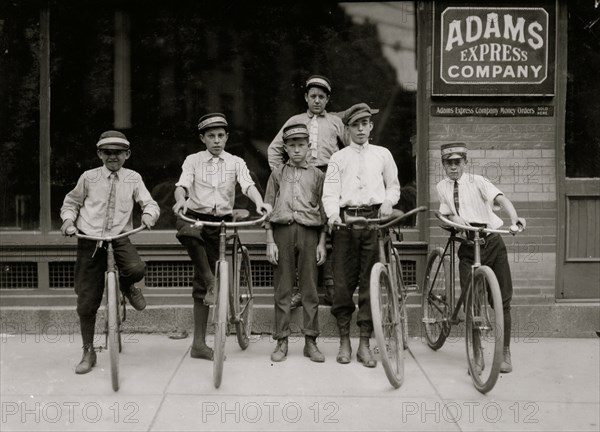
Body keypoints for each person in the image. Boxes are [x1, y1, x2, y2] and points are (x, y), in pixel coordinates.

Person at [172, 113, 272, 361]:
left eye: (220, 136)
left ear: (226, 137)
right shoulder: (193, 160)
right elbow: (181, 185)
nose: (216, 141)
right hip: (195, 215)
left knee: (204, 281)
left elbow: (247, 185)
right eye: (211, 136)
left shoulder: (235, 161)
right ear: (202, 138)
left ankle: (209, 289)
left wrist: (260, 203)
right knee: (187, 231)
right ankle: (211, 285)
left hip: (220, 223)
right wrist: (181, 201)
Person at [60, 130, 160, 374]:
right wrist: (67, 221)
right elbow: (71, 203)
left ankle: (126, 286)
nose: (112, 157)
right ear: (99, 154)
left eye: (118, 153)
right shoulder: (89, 177)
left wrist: (149, 214)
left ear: (127, 154)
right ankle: (88, 351)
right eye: (107, 152)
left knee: (136, 268)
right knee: (87, 301)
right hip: (90, 239)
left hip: (118, 238)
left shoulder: (133, 178)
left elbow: (150, 203)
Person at [435, 142, 526, 374]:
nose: (453, 167)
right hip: (467, 247)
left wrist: (515, 219)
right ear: (443, 164)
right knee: (472, 303)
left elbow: (502, 200)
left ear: (465, 162)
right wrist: (455, 220)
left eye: (457, 162)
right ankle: (476, 354)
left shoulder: (479, 181)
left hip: (492, 243)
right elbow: (444, 211)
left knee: (502, 301)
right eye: (449, 163)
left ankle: (505, 352)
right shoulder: (442, 187)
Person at [322, 103, 401, 368]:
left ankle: (364, 343)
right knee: (343, 284)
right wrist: (334, 216)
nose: (360, 129)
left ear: (370, 126)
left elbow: (393, 186)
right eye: (354, 125)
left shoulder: (382, 154)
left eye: (364, 124)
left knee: (370, 283)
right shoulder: (338, 158)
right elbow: (330, 193)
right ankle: (345, 340)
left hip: (374, 222)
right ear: (347, 128)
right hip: (346, 224)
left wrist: (389, 202)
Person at [268, 74, 347, 308]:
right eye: (313, 96)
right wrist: (282, 174)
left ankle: (331, 287)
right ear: (305, 97)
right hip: (298, 176)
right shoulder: (295, 120)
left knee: (328, 229)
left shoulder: (334, 122)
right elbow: (275, 148)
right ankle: (297, 290)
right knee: (297, 230)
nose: (317, 100)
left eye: (322, 97)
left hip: (328, 176)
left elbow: (349, 150)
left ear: (327, 99)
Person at [264, 123, 327, 363]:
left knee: (310, 288)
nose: (297, 150)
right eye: (292, 146)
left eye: (302, 145)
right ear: (286, 149)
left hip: (309, 233)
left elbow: (323, 211)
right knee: (283, 287)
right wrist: (270, 240)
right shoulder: (277, 173)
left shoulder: (318, 175)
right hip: (282, 232)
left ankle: (311, 341)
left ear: (309, 147)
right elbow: (267, 208)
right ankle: (281, 340)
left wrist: (322, 242)